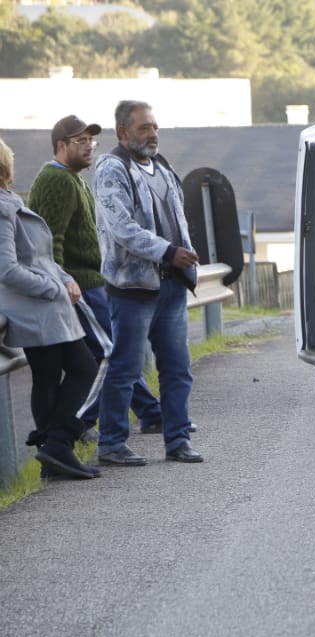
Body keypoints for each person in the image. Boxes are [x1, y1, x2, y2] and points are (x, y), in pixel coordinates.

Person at [27, 114, 165, 442]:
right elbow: (49, 242)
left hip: (93, 283)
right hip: (77, 286)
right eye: (81, 141)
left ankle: (150, 412)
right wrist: (61, 285)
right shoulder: (57, 180)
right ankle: (75, 426)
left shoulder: (73, 178)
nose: (89, 147)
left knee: (116, 351)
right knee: (112, 353)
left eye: (91, 140)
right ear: (61, 146)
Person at [93, 100, 202, 465]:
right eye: (144, 128)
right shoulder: (112, 169)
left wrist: (182, 257)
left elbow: (178, 219)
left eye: (154, 127)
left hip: (172, 285)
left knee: (177, 369)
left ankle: (178, 440)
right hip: (133, 289)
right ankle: (111, 444)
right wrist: (168, 252)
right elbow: (122, 228)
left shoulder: (162, 166)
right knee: (126, 368)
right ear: (123, 133)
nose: (153, 134)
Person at [0, 137, 100, 480]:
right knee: (79, 369)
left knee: (53, 378)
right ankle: (58, 446)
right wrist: (54, 288)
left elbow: (40, 258)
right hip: (35, 308)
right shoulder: (2, 207)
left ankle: (54, 456)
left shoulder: (9, 201)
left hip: (43, 306)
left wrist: (65, 277)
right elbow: (6, 269)